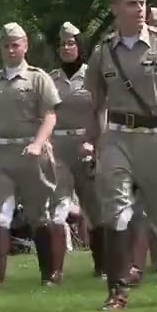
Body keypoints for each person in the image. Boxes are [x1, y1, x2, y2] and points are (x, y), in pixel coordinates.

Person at [85, 0, 157, 310]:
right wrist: (95, 142)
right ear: (116, 7)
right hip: (118, 137)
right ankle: (117, 291)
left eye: (142, 3)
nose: (140, 9)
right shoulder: (103, 50)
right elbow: (95, 103)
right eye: (132, 3)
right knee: (116, 212)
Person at [0, 23, 63, 287]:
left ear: (25, 46)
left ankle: (49, 275)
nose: (10, 50)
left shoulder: (38, 78)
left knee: (38, 214)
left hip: (30, 153)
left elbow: (50, 116)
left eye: (15, 45)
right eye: (6, 45)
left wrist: (39, 143)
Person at [50, 22, 99, 275]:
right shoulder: (51, 80)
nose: (67, 48)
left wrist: (94, 142)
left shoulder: (93, 76)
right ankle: (55, 272)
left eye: (71, 43)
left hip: (86, 146)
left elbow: (101, 112)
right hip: (58, 148)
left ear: (80, 47)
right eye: (62, 44)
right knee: (58, 206)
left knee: (93, 207)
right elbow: (44, 114)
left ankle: (102, 266)